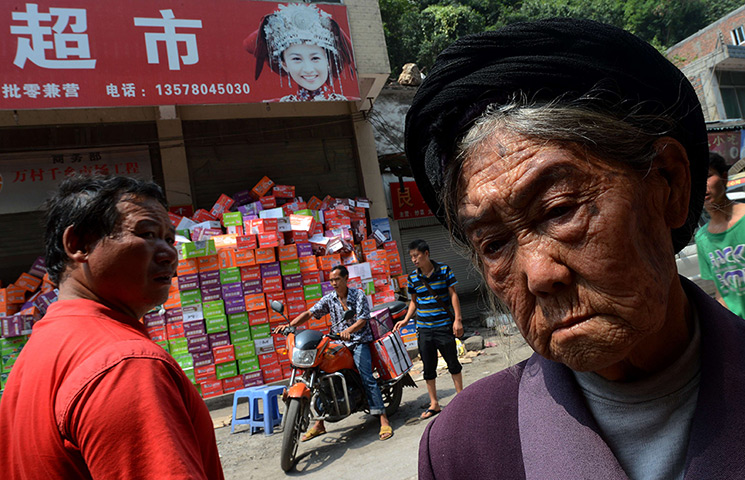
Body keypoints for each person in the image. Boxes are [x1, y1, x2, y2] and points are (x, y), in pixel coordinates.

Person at [405, 18, 745, 479]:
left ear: (668, 182)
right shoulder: (463, 448)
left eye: (560, 209)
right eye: (495, 243)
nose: (539, 275)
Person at [0, 176, 224, 479]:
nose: (170, 254)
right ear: (78, 244)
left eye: (169, 239)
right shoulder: (127, 365)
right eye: (147, 234)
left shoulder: (40, 349)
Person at [275, 265, 393, 441]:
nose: (334, 283)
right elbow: (310, 312)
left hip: (359, 341)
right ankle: (319, 424)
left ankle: (383, 419)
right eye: (331, 280)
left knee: (366, 376)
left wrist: (349, 331)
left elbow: (362, 319)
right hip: (338, 343)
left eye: (337, 279)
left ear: (346, 279)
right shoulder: (329, 299)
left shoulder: (358, 294)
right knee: (320, 375)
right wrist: (290, 326)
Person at [393, 239, 463, 419]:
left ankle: (462, 398)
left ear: (426, 254)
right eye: (411, 257)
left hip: (443, 326)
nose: (414, 260)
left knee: (453, 363)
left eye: (416, 256)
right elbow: (414, 302)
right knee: (428, 366)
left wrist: (457, 319)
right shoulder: (412, 278)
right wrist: (406, 319)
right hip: (424, 328)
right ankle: (434, 403)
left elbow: (453, 295)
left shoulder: (444, 270)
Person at [244, 3, 355, 102]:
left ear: (329, 62)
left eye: (315, 58)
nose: (308, 69)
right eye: (296, 59)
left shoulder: (350, 102)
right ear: (284, 65)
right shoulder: (274, 106)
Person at [695, 151, 745, 318]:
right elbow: (721, 292)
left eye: (707, 176)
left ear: (724, 177)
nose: (702, 185)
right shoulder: (702, 238)